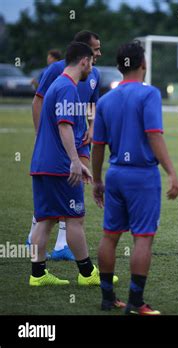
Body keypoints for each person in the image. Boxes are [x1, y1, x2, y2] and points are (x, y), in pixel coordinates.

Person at [92, 41, 178, 315]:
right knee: (142, 239)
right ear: (144, 64)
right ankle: (135, 302)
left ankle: (108, 299)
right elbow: (154, 135)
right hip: (142, 176)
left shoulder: (106, 99)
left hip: (115, 174)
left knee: (110, 236)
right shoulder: (149, 95)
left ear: (120, 66)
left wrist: (97, 180)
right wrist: (171, 172)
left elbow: (97, 145)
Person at [29, 41, 113, 287]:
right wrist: (75, 161)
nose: (92, 67)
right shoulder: (67, 87)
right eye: (92, 60)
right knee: (74, 218)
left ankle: (37, 274)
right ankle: (88, 274)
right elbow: (64, 125)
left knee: (45, 220)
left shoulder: (58, 84)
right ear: (84, 60)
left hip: (42, 164)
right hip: (59, 167)